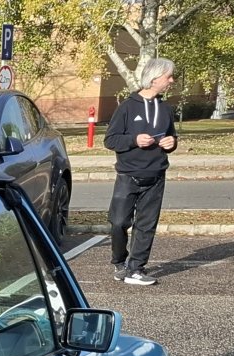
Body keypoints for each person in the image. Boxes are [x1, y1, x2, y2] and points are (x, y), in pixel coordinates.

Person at [104, 58, 178, 285]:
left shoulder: (165, 109)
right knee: (118, 222)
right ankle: (119, 262)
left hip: (156, 174)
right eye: (169, 76)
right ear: (155, 78)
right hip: (128, 174)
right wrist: (134, 140)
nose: (171, 81)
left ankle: (136, 268)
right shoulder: (127, 107)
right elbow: (110, 140)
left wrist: (171, 143)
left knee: (146, 225)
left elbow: (172, 136)